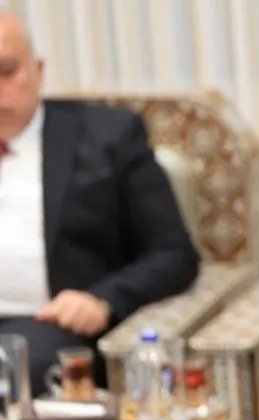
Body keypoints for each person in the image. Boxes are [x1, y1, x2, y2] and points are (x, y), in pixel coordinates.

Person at [0, 11, 199, 390]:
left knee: (14, 372)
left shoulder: (108, 136)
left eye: (6, 71)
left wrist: (103, 300)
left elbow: (174, 254)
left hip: (48, 324)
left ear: (38, 71)